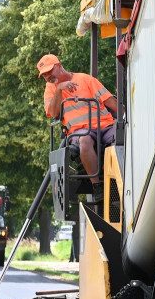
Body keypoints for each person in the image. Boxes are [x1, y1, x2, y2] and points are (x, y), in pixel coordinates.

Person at [38, 54, 118, 198]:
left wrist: (129, 116)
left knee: (119, 136)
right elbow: (53, 112)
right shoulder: (51, 89)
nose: (48, 76)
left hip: (105, 125)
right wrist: (59, 90)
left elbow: (109, 100)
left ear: (59, 65)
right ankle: (97, 186)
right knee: (84, 140)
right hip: (79, 131)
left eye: (50, 71)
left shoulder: (85, 79)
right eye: (44, 75)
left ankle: (120, 179)